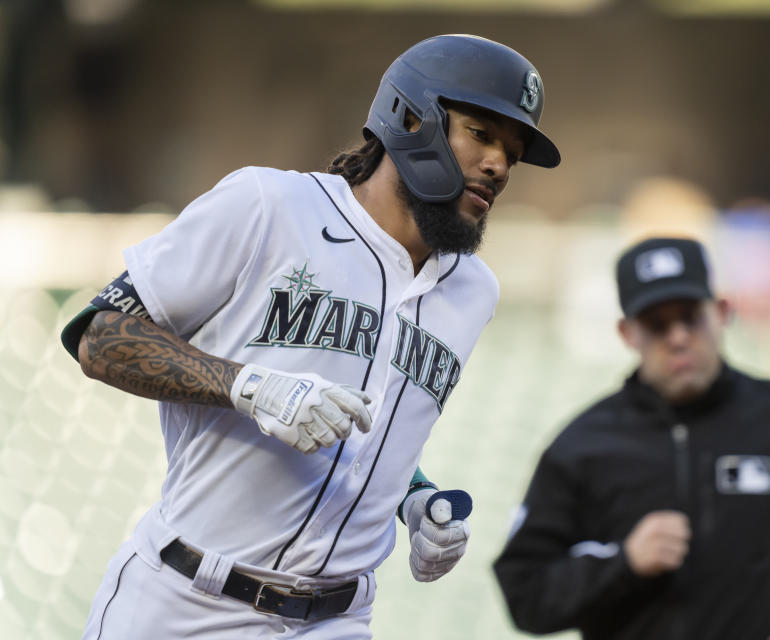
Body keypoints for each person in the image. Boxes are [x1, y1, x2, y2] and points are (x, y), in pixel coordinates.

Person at [60, 34, 560, 639]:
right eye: (481, 133)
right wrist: (247, 386)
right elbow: (99, 336)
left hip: (338, 619)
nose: (500, 165)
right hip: (186, 603)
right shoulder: (268, 205)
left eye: (513, 150)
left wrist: (415, 496)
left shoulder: (473, 290)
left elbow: (378, 427)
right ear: (409, 117)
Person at [493, 237, 770, 640]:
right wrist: (624, 562)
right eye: (657, 323)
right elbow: (525, 592)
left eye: (690, 316)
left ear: (721, 312)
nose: (678, 337)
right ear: (627, 333)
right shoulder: (582, 446)